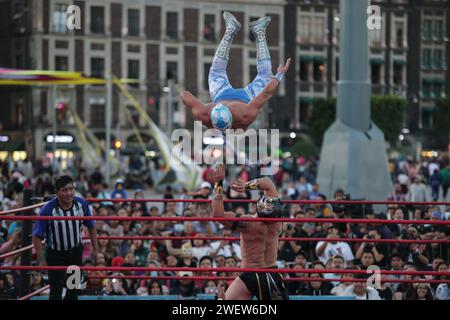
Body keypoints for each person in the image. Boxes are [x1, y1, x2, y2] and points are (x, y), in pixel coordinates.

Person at [181, 11, 291, 132]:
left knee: (265, 75)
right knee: (217, 70)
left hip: (242, 98)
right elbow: (185, 94)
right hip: (222, 96)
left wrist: (279, 75)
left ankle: (259, 32)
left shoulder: (244, 116)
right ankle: (231, 30)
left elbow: (267, 93)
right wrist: (278, 76)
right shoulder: (205, 114)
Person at [211, 164, 289, 300]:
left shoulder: (249, 223)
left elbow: (217, 215)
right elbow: (267, 183)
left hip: (252, 273)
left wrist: (218, 183)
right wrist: (246, 186)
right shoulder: (276, 218)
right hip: (264, 273)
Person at [32, 175, 98, 300]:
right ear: (57, 192)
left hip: (74, 252)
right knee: (56, 292)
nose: (69, 193)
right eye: (65, 190)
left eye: (71, 189)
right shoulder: (47, 209)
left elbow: (91, 226)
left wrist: (96, 250)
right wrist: (41, 259)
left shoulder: (81, 204)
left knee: (73, 290)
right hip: (55, 255)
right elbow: (37, 236)